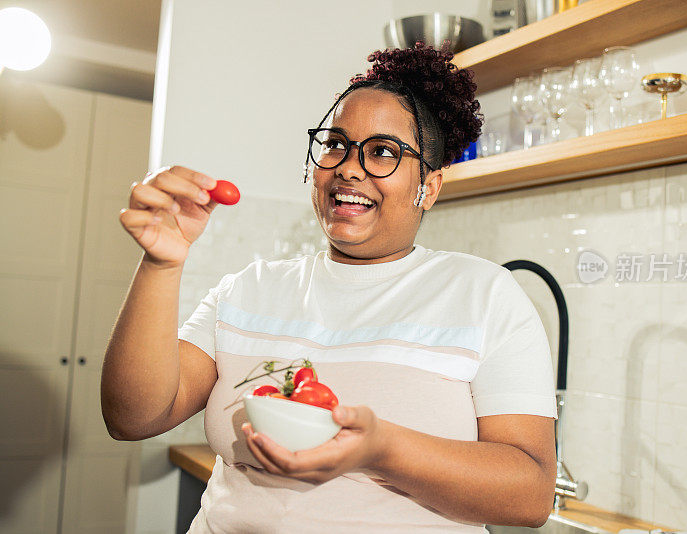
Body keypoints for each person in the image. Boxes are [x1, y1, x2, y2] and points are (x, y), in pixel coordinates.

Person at [102, 43, 557, 533]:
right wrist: (160, 264)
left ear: (429, 186)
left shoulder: (484, 293)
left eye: (383, 151)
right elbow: (135, 417)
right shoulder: (249, 288)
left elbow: (530, 495)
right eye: (336, 143)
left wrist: (382, 449)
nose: (349, 167)